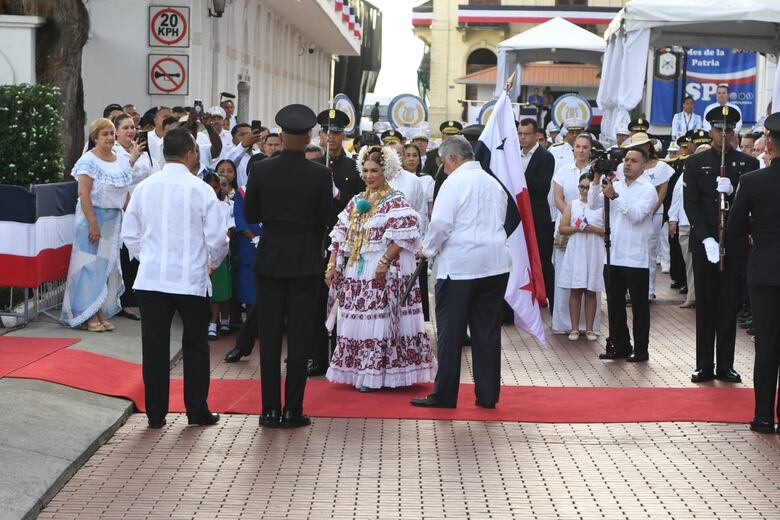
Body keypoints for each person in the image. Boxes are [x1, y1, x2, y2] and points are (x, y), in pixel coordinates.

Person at [121, 127, 229, 429]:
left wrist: (151, 258)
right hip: (190, 279)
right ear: (191, 153)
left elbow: (129, 234)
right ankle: (196, 410)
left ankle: (156, 414)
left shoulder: (145, 187)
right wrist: (211, 263)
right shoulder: (201, 189)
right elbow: (219, 239)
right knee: (195, 344)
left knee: (153, 347)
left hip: (152, 279)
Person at [244, 104, 332, 428]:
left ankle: (269, 410)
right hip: (305, 260)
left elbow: (251, 213)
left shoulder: (261, 170)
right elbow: (325, 218)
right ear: (308, 136)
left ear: (280, 136)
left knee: (268, 339)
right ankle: (293, 409)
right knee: (299, 338)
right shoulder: (321, 174)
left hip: (270, 260)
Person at [411, 136, 512, 409]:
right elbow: (502, 219)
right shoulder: (494, 184)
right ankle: (488, 395)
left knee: (450, 333)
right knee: (487, 331)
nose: (443, 168)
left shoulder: (453, 183)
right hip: (494, 264)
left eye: (443, 162)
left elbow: (441, 224)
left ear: (453, 159)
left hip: (460, 267)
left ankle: (445, 395)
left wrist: (426, 249)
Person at [324, 146, 436, 390]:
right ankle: (360, 370)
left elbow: (405, 236)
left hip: (381, 271)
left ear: (386, 171)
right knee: (359, 319)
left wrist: (384, 261)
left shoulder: (396, 200)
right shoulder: (356, 201)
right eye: (364, 170)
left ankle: (378, 373)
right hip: (356, 271)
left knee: (381, 320)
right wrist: (332, 264)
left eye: (374, 170)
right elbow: (339, 233)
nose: (368, 175)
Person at [683, 105, 759, 383]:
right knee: (705, 306)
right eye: (718, 129)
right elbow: (691, 206)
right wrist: (705, 238)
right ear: (710, 131)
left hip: (735, 244)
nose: (723, 134)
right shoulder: (694, 163)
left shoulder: (748, 165)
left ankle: (725, 365)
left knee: (729, 305)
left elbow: (751, 207)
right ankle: (704, 364)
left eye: (728, 130)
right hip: (706, 245)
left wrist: (735, 191)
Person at [727, 111, 780, 434]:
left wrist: (754, 232)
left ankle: (763, 417)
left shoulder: (752, 181)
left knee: (767, 347)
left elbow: (734, 228)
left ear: (770, 143)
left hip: (764, 271)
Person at [61, 118, 134, 331]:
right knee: (88, 266)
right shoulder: (88, 161)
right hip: (92, 218)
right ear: (95, 138)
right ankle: (85, 314)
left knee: (105, 268)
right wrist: (93, 223)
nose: (110, 138)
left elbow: (124, 192)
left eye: (112, 133)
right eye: (105, 134)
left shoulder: (120, 159)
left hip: (113, 220)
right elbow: (83, 193)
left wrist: (132, 216)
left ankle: (98, 309)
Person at [308, 108, 365, 377]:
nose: (330, 138)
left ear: (343, 136)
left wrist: (339, 193)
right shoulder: (315, 166)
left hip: (344, 242)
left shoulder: (353, 167)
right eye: (326, 133)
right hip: (319, 242)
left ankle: (341, 355)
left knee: (345, 302)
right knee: (318, 303)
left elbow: (362, 204)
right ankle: (318, 358)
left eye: (335, 133)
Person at [589, 148, 658, 362]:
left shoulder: (648, 189)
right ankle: (616, 347)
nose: (627, 164)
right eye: (626, 160)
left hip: (636, 257)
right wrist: (596, 178)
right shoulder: (615, 184)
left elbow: (637, 216)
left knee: (638, 307)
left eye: (633, 161)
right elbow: (593, 204)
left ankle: (641, 349)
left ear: (644, 165)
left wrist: (615, 197)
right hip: (613, 254)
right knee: (614, 306)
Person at [551, 133, 598, 334]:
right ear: (573, 149)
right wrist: (571, 218)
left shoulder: (596, 172)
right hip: (567, 226)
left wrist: (585, 220)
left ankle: (587, 326)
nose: (581, 150)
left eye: (585, 147)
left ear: (590, 149)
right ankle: (564, 324)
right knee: (564, 274)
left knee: (589, 277)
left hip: (591, 228)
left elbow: (598, 199)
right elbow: (558, 198)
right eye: (577, 146)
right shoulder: (563, 171)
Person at [112, 112, 157, 321]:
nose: (130, 131)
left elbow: (151, 173)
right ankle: (123, 298)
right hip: (123, 203)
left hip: (144, 204)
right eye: (125, 128)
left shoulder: (142, 149)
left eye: (132, 127)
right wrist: (132, 159)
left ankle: (138, 294)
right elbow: (117, 177)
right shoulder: (113, 152)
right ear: (116, 131)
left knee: (142, 246)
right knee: (124, 248)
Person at [618, 133, 673, 300]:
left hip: (653, 213)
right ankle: (628, 289)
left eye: (644, 145)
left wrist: (649, 210)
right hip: (629, 212)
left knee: (650, 250)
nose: (642, 148)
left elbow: (661, 192)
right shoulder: (625, 166)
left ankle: (648, 290)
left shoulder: (661, 167)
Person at [558, 174, 605, 341]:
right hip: (576, 250)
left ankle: (591, 328)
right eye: (582, 187)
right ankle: (575, 328)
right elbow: (562, 228)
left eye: (588, 187)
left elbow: (607, 230)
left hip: (593, 250)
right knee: (575, 289)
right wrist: (576, 228)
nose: (584, 190)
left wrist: (592, 229)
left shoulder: (601, 206)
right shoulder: (572, 205)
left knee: (591, 290)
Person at [518, 118, 556, 313]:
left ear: (535, 135)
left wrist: (519, 175)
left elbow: (542, 187)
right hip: (518, 218)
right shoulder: (513, 156)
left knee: (543, 260)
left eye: (526, 134)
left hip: (539, 219)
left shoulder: (545, 157)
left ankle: (553, 303)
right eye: (520, 133)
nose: (522, 137)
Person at [201, 173, 234, 339]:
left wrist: (221, 248)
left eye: (215, 187)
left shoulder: (225, 207)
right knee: (211, 291)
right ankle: (212, 323)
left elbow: (228, 230)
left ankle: (223, 320)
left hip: (220, 252)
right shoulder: (198, 205)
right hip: (202, 252)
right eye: (209, 186)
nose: (212, 190)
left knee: (222, 289)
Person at [668, 165, 695, 309]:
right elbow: (676, 197)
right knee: (689, 263)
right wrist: (673, 219)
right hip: (686, 223)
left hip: (708, 225)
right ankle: (692, 296)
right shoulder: (686, 173)